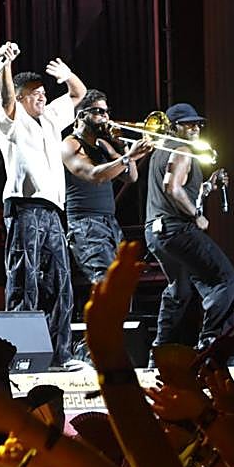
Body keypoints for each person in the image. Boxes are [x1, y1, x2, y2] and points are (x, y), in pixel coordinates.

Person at [0, 41, 86, 368]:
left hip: (52, 210)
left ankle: (62, 355)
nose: (42, 97)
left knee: (61, 283)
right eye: (34, 93)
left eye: (43, 92)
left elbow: (77, 95)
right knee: (24, 280)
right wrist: (6, 66)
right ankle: (18, 355)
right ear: (21, 98)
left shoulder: (50, 120)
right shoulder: (12, 120)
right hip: (25, 206)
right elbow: (5, 97)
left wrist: (68, 74)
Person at [143, 102, 234, 358]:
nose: (195, 127)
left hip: (156, 232)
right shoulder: (183, 150)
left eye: (197, 123)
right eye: (188, 123)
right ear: (173, 127)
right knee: (226, 281)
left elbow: (180, 190)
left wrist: (207, 186)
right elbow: (172, 188)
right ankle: (213, 346)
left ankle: (160, 352)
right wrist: (197, 215)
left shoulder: (159, 153)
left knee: (180, 289)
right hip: (177, 230)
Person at [61, 90, 152, 350]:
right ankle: (89, 349)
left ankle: (106, 347)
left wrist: (124, 147)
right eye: (99, 111)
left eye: (106, 111)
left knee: (119, 287)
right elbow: (92, 174)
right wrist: (130, 156)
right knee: (103, 284)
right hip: (85, 224)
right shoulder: (69, 144)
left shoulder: (103, 145)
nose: (105, 116)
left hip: (109, 223)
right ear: (82, 116)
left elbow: (130, 176)